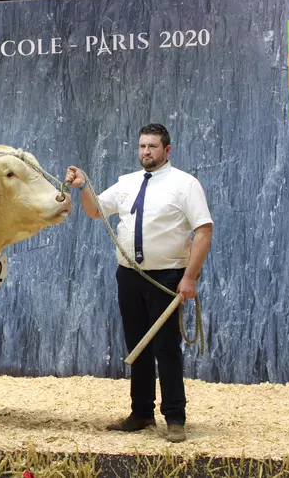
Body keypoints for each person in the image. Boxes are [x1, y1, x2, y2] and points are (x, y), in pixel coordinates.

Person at [65, 123, 213, 443]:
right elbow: (95, 212)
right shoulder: (126, 183)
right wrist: (83, 186)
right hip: (129, 276)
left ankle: (175, 417)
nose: (146, 152)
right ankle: (141, 413)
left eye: (153, 147)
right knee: (137, 345)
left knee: (166, 348)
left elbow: (204, 230)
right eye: (142, 146)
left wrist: (190, 277)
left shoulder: (185, 184)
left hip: (167, 278)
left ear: (167, 150)